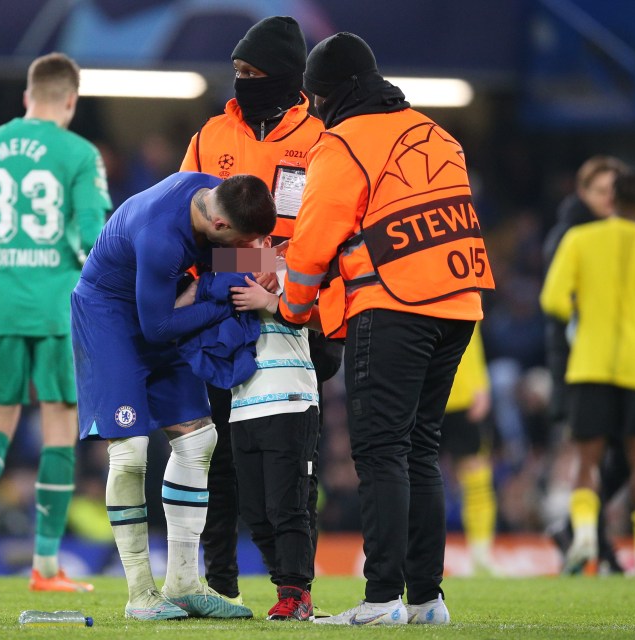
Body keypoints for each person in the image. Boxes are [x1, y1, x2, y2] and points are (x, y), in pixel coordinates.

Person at [278, 33, 495, 625]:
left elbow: (313, 240)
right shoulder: (437, 134)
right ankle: (427, 600)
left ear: (335, 94)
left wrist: (295, 310)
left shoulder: (342, 143)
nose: (314, 107)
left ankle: (380, 600)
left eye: (316, 97)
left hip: (393, 302)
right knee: (421, 452)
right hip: (460, 304)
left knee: (379, 452)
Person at [178, 15, 341, 611]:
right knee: (218, 458)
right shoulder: (210, 135)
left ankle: (291, 586)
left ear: (283, 76)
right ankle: (219, 583)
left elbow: (332, 238)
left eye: (251, 72)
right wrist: (271, 261)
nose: (241, 80)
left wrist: (245, 264)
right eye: (237, 71)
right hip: (223, 323)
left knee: (288, 465)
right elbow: (188, 225)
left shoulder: (323, 140)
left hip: (297, 326)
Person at [71, 172, 275, 620]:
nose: (253, 245)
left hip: (161, 303)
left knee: (200, 439)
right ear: (222, 226)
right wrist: (229, 300)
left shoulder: (213, 193)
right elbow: (157, 327)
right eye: (247, 240)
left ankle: (183, 582)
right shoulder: (161, 235)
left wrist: (271, 267)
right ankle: (140, 594)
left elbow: (226, 262)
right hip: (112, 318)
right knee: (130, 452)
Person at [0, 52, 111, 591]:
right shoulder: (80, 153)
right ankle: (43, 565)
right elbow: (93, 237)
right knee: (60, 427)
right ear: (71, 100)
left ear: (26, 97)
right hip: (56, 311)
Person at [540, 171, 635, 576]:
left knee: (587, 460)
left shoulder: (579, 241)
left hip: (590, 363)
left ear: (613, 199)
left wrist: (583, 311)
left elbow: (552, 299)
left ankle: (584, 535)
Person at [222, 239, 320, 621]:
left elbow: (322, 313)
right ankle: (289, 588)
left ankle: (295, 592)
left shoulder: (295, 269)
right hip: (242, 405)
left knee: (288, 506)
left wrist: (268, 301)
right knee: (254, 512)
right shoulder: (229, 268)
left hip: (291, 400)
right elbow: (202, 260)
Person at [542, 155, 630, 574]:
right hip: (581, 364)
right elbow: (560, 306)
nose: (608, 199)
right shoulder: (569, 238)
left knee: (625, 456)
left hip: (621, 362)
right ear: (583, 193)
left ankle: (575, 533)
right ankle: (599, 548)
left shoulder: (623, 236)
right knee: (594, 458)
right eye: (600, 191)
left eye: (614, 191)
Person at [440, 323, 499, 576]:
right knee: (412, 473)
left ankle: (481, 554)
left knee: (476, 474)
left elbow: (472, 336)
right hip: (437, 390)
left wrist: (481, 384)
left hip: (459, 392)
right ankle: (409, 551)